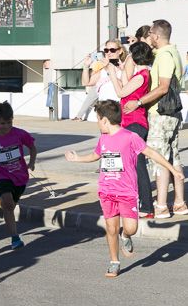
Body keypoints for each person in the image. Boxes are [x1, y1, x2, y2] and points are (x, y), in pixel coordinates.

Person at [66, 100, 183, 277]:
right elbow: (96, 155)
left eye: (98, 119)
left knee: (131, 228)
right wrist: (77, 159)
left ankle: (126, 236)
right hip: (106, 191)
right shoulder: (103, 138)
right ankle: (114, 261)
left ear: (105, 120)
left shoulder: (130, 137)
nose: (97, 123)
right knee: (111, 228)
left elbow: (151, 153)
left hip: (127, 192)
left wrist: (173, 169)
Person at [123, 20, 186, 218]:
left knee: (159, 158)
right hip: (171, 114)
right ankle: (179, 203)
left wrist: (138, 102)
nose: (149, 37)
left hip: (161, 114)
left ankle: (160, 206)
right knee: (172, 158)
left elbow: (163, 87)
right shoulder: (170, 52)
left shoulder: (165, 56)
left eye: (150, 34)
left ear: (157, 36)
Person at [0, 102, 36, 249]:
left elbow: (32, 147)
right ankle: (15, 238)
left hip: (20, 176)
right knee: (9, 204)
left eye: (9, 122)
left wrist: (32, 162)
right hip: (2, 174)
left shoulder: (20, 134)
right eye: (2, 123)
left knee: (10, 206)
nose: (6, 126)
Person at [106, 41, 154, 217]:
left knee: (138, 165)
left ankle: (147, 207)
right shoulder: (140, 74)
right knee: (131, 165)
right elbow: (126, 84)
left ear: (135, 56)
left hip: (135, 122)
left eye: (131, 55)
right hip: (130, 122)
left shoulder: (142, 75)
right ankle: (139, 202)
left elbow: (121, 93)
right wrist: (120, 69)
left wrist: (112, 75)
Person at [75, 39, 126, 120]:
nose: (109, 53)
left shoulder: (125, 66)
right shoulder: (103, 68)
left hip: (117, 108)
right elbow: (86, 82)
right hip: (103, 109)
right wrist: (86, 66)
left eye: (112, 50)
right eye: (106, 50)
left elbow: (124, 87)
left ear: (120, 51)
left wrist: (109, 70)